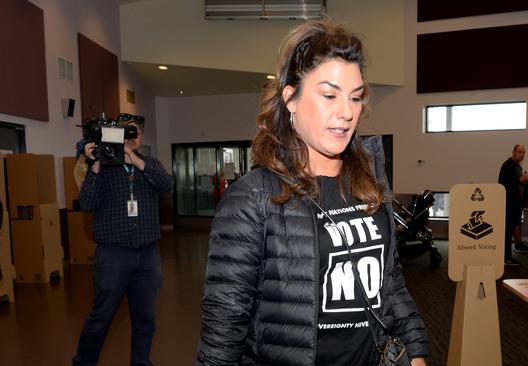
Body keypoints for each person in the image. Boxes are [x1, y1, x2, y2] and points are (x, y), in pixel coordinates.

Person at [196, 20, 429, 365]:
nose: (347, 112)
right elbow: (224, 330)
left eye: (355, 97)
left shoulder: (368, 183)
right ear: (291, 98)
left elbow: (391, 285)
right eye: (329, 95)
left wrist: (417, 353)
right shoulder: (253, 198)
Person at [73, 113, 174, 366]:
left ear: (141, 138)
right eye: (126, 132)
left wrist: (136, 161)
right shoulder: (103, 167)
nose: (131, 138)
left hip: (148, 255)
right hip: (112, 256)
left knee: (145, 318)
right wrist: (95, 164)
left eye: (136, 133)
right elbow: (86, 204)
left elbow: (167, 185)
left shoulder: (149, 164)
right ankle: (83, 363)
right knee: (102, 317)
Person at [498, 144, 528, 266]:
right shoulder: (508, 165)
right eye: (519, 152)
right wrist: (519, 180)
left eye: (523, 152)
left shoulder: (517, 166)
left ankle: (508, 256)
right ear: (513, 152)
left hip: (515, 203)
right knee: (507, 231)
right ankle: (506, 258)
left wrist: (524, 181)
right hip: (508, 203)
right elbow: (503, 185)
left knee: (510, 229)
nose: (522, 154)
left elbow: (517, 185)